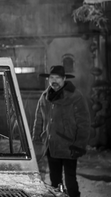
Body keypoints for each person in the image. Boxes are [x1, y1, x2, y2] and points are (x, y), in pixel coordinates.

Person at [32, 65, 90, 197]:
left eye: (57, 78)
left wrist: (79, 145)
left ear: (64, 79)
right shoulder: (45, 96)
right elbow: (39, 120)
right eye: (51, 77)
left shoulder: (75, 96)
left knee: (70, 182)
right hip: (51, 146)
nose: (54, 81)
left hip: (69, 146)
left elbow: (84, 123)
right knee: (55, 182)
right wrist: (36, 141)